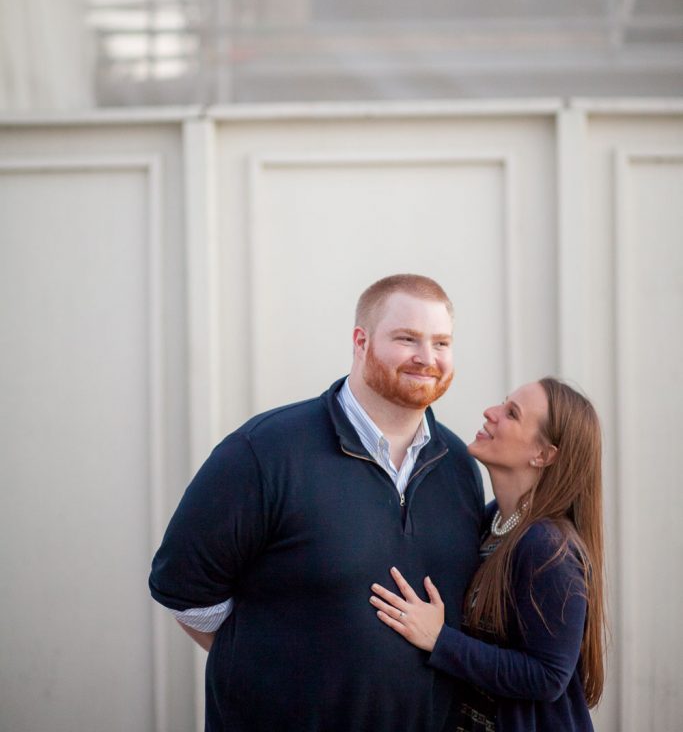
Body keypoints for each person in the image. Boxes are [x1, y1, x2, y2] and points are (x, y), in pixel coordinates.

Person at [149, 274, 485, 732]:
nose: (427, 358)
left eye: (441, 342)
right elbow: (182, 588)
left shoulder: (460, 467)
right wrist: (276, 669)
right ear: (360, 342)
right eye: (407, 338)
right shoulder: (265, 451)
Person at [370, 377, 606, 732]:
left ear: (543, 455)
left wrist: (439, 640)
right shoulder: (493, 521)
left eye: (511, 413)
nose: (490, 413)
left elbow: (549, 676)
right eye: (503, 403)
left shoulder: (546, 547)